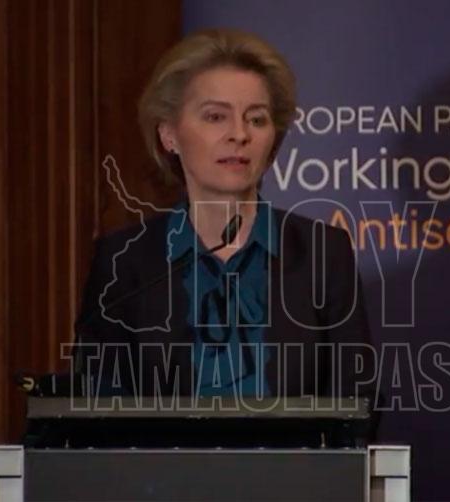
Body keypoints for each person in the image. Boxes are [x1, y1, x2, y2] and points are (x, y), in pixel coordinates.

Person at [73, 29, 375, 404]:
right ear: (169, 135)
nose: (239, 134)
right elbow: (98, 407)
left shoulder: (323, 253)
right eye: (216, 116)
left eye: (257, 119)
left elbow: (356, 402)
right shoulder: (124, 261)